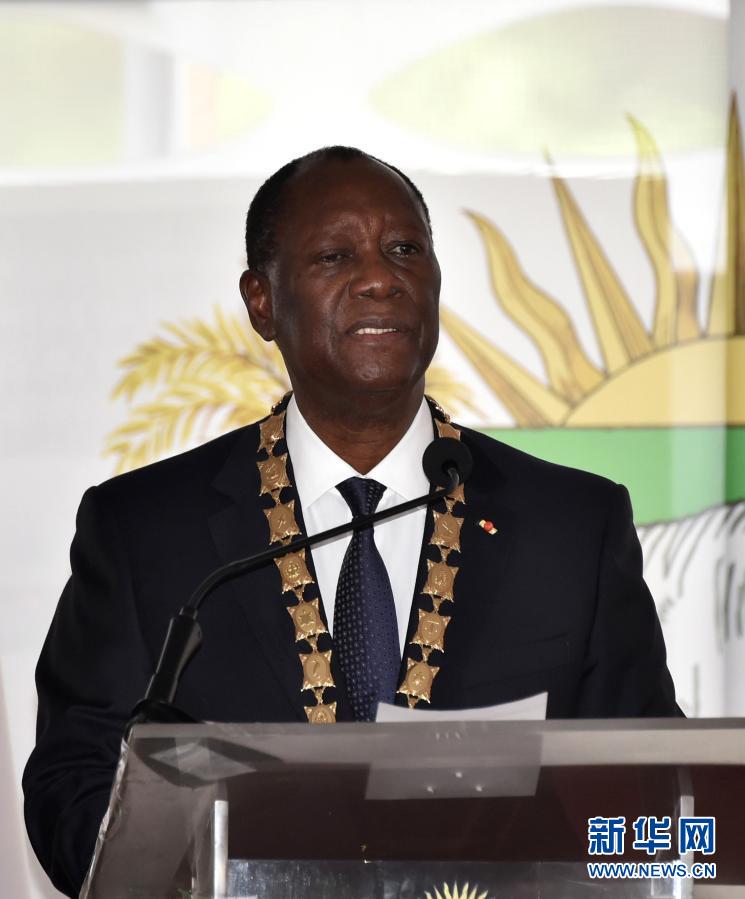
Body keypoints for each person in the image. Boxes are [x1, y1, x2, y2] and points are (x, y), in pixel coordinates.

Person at [23, 146, 681, 898]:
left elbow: (653, 793)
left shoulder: (570, 526)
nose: (379, 278)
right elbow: (74, 784)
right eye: (335, 256)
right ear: (261, 302)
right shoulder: (145, 531)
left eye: (405, 250)